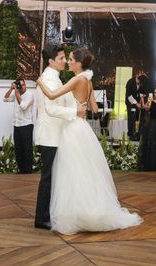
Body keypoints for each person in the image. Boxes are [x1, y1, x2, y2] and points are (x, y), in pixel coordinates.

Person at [37, 47, 142, 235]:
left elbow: (52, 96)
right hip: (83, 128)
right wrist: (81, 104)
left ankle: (76, 211)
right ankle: (90, 208)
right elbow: (94, 108)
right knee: (85, 169)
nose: (68, 61)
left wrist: (39, 83)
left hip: (71, 128)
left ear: (78, 63)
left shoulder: (76, 79)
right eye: (65, 58)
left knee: (71, 171)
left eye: (69, 59)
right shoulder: (88, 81)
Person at [33, 44, 86, 230]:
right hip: (50, 135)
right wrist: (76, 111)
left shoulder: (53, 77)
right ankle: (41, 218)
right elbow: (51, 108)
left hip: (53, 134)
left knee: (52, 177)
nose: (65, 61)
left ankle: (47, 215)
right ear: (51, 61)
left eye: (65, 58)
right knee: (48, 178)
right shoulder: (50, 79)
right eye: (61, 58)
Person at [4, 79, 34, 173]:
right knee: (18, 149)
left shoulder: (29, 95)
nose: (22, 87)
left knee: (27, 149)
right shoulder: (15, 92)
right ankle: (21, 169)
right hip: (16, 125)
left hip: (26, 125)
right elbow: (5, 98)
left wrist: (17, 93)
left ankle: (28, 170)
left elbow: (23, 106)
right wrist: (11, 89)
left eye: (23, 85)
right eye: (20, 85)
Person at [125, 72, 139, 140]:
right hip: (130, 103)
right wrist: (136, 103)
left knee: (137, 118)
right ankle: (131, 133)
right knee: (131, 118)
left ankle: (137, 133)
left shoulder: (142, 83)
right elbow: (129, 96)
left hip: (138, 104)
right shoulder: (130, 82)